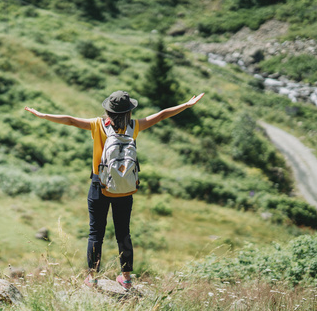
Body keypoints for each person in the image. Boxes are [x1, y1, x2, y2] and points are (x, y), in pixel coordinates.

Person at [25, 91, 204, 290]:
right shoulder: (134, 126)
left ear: (107, 110)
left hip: (99, 185)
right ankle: (126, 278)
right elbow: (161, 115)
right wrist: (186, 105)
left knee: (95, 233)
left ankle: (92, 277)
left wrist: (42, 115)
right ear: (129, 111)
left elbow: (70, 120)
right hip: (125, 187)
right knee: (123, 233)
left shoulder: (97, 124)